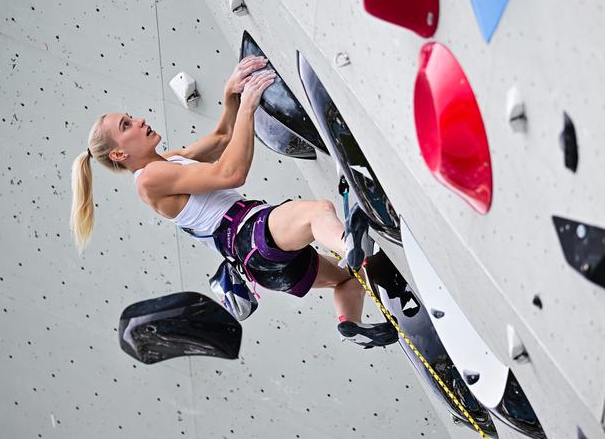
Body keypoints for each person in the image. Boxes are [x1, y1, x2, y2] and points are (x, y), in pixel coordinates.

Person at [69, 55, 398, 348]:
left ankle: (350, 325)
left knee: (345, 279)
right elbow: (232, 173)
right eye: (127, 125)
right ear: (119, 153)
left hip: (259, 263)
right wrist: (249, 106)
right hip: (251, 235)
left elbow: (221, 140)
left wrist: (230, 95)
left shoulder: (164, 163)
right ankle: (347, 243)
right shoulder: (150, 180)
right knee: (318, 212)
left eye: (131, 117)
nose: (139, 120)